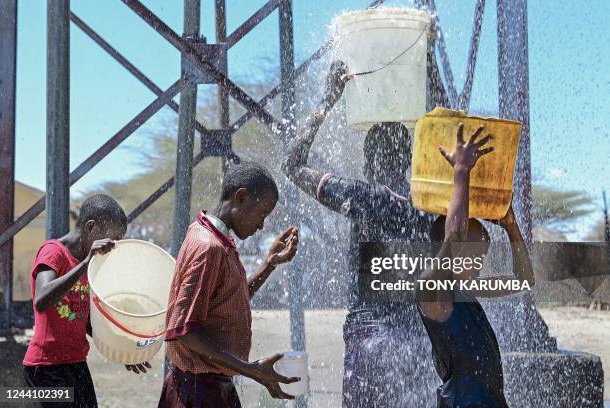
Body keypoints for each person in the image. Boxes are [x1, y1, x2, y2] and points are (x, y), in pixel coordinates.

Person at [283, 61, 438, 406]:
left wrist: (328, 97)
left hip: (369, 341)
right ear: (409, 162)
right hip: (420, 342)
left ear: (369, 162)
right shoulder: (429, 208)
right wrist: (429, 71)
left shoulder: (362, 197)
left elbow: (292, 165)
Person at [159, 161, 300, 408]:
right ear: (241, 197)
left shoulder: (215, 239)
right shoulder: (208, 248)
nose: (261, 225)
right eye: (262, 214)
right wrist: (251, 370)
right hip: (199, 391)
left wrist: (269, 264)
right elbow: (184, 330)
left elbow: (229, 299)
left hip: (210, 385)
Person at [416, 123, 535, 407]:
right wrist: (461, 171)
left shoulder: (465, 289)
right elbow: (454, 235)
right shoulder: (431, 290)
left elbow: (524, 280)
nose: (481, 264)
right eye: (477, 254)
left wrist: (511, 227)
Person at [23, 194, 148, 408]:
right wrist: (86, 262)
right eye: (112, 239)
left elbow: (86, 320)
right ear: (91, 228)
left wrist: (122, 350)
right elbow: (42, 300)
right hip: (45, 368)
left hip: (76, 364)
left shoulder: (89, 264)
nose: (113, 247)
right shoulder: (54, 252)